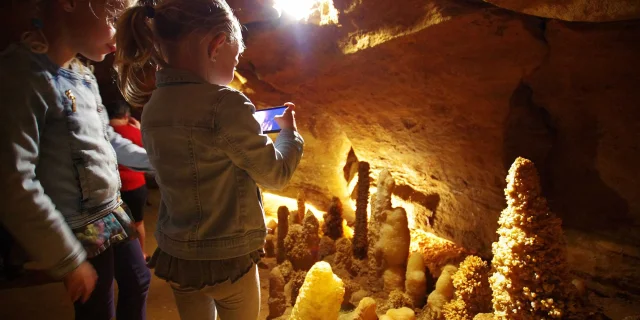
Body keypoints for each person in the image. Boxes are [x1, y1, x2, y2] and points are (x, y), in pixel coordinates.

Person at [115, 0, 305, 319]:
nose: (234, 67)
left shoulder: (152, 108)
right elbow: (275, 174)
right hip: (228, 255)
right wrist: (289, 134)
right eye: (236, 57)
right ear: (217, 45)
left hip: (179, 256)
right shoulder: (226, 104)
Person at [0, 0, 152, 319]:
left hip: (110, 207)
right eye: (113, 17)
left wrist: (158, 161)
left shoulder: (82, 74)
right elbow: (14, 179)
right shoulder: (24, 74)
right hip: (78, 220)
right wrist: (67, 257)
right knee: (97, 304)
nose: (120, 34)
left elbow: (106, 140)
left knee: (138, 280)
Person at [107, 100, 149, 261]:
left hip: (112, 189)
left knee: (114, 225)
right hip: (135, 186)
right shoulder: (133, 132)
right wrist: (138, 128)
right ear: (126, 115)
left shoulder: (102, 132)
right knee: (138, 222)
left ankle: (119, 258)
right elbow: (149, 149)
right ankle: (141, 254)